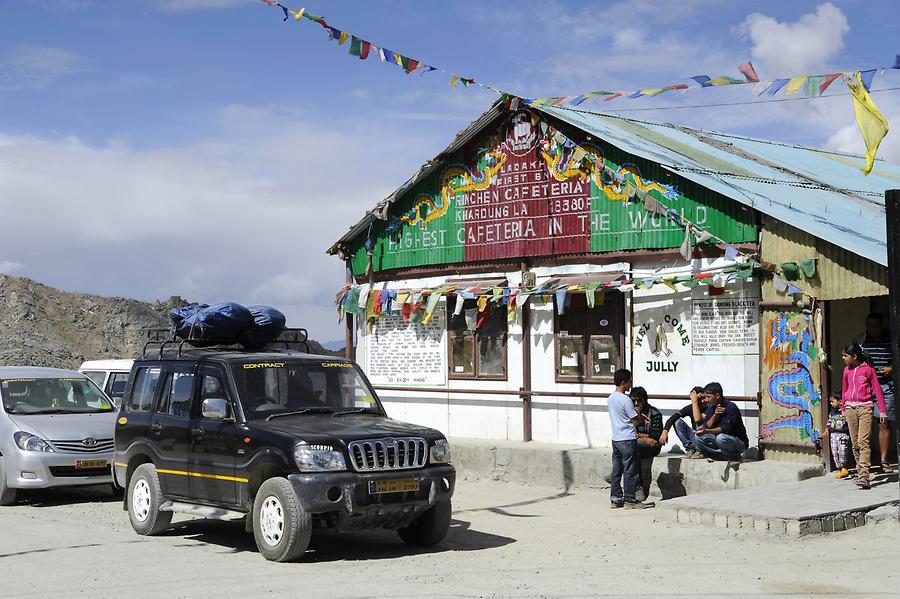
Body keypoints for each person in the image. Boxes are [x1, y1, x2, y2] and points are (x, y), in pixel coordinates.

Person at [841, 342, 887, 489]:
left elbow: (878, 391)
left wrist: (883, 411)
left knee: (863, 442)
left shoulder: (869, 370)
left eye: (845, 356)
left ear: (854, 356)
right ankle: (860, 472)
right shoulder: (846, 371)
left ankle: (864, 476)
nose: (843, 358)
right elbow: (844, 391)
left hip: (865, 408)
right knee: (855, 444)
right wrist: (843, 408)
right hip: (850, 409)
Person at [607, 369, 651, 509]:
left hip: (616, 438)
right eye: (629, 381)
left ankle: (615, 498)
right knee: (630, 470)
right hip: (627, 438)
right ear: (623, 382)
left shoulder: (611, 398)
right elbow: (635, 421)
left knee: (617, 469)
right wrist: (640, 416)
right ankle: (630, 500)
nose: (630, 384)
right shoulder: (625, 400)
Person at [858, 313, 895, 474]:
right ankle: (864, 462)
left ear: (882, 325)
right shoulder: (862, 341)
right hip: (867, 387)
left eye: (876, 325)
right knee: (865, 424)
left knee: (884, 423)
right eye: (870, 325)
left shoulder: (891, 339)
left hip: (886, 386)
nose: (873, 329)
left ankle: (884, 461)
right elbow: (854, 359)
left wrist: (891, 368)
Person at [673, 382, 748, 462]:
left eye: (708, 397)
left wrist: (706, 431)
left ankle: (734, 456)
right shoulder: (711, 407)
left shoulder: (730, 407)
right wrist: (714, 415)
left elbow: (725, 429)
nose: (706, 400)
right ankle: (720, 455)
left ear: (717, 395)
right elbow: (707, 425)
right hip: (719, 441)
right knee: (699, 438)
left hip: (737, 442)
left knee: (721, 438)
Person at [631, 387, 663, 501]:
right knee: (630, 446)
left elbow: (655, 437)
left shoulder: (654, 413)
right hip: (639, 444)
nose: (636, 404)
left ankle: (639, 487)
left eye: (639, 401)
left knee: (633, 445)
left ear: (645, 400)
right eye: (633, 401)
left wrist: (637, 436)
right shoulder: (630, 413)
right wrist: (643, 437)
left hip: (653, 446)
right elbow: (628, 432)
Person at [659, 386, 709, 458]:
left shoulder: (710, 408)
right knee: (677, 422)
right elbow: (673, 418)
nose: (703, 401)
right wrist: (665, 432)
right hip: (696, 437)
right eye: (700, 399)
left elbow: (699, 420)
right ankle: (691, 449)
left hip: (706, 439)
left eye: (704, 398)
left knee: (699, 426)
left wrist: (695, 402)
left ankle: (701, 451)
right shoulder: (691, 407)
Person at [827, 392, 852, 479]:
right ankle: (840, 469)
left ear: (840, 401)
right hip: (833, 434)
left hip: (843, 434)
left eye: (832, 401)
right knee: (835, 452)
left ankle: (844, 467)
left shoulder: (845, 411)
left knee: (842, 451)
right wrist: (827, 429)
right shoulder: (832, 411)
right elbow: (829, 421)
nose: (830, 403)